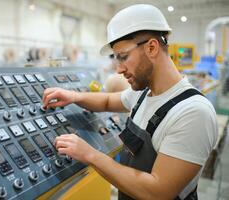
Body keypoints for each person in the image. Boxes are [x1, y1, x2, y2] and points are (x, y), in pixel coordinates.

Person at [42, 4, 217, 200]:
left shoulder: (192, 112)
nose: (118, 69)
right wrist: (74, 96)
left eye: (123, 57)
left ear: (152, 47)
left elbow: (157, 192)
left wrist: (90, 154)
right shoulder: (144, 94)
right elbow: (108, 100)